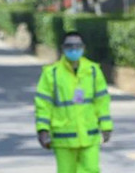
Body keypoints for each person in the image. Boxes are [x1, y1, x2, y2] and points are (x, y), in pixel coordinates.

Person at [34, 31, 113, 173]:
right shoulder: (51, 73)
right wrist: (42, 130)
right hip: (64, 138)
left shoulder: (93, 71)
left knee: (92, 169)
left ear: (83, 47)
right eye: (69, 46)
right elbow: (43, 104)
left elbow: (102, 101)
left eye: (77, 45)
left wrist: (106, 125)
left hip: (89, 135)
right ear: (63, 48)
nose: (74, 49)